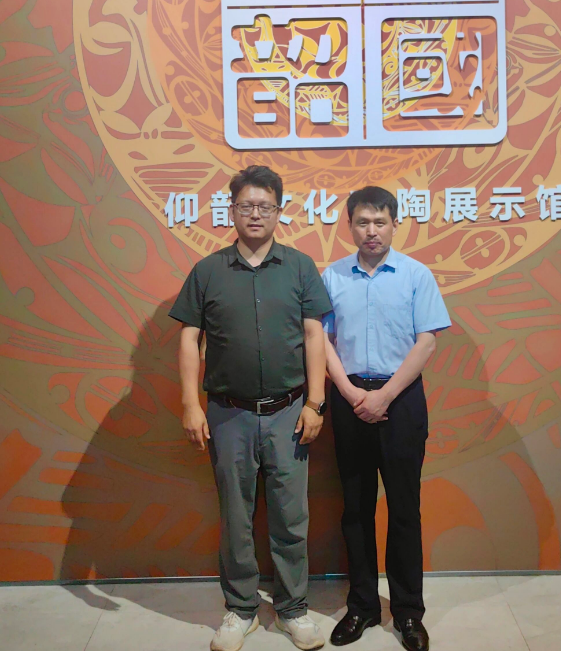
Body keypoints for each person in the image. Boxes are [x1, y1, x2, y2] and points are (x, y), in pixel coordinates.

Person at [169, 165, 332, 651]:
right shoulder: (208, 271)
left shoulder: (300, 266)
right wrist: (190, 404)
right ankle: (240, 609)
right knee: (236, 517)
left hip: (289, 411)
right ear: (232, 210)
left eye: (265, 206)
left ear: (279, 211)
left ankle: (292, 609)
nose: (255, 214)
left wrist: (316, 402)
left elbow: (314, 335)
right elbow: (189, 339)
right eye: (246, 206)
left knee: (290, 516)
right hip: (228, 413)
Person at [321, 187, 451, 651]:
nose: (371, 231)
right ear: (350, 226)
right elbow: (322, 342)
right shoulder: (332, 276)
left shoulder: (416, 275)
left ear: (395, 224)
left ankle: (408, 612)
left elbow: (427, 341)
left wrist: (386, 395)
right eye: (362, 222)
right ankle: (362, 606)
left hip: (401, 400)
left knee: (404, 508)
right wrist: (352, 392)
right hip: (350, 397)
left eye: (380, 222)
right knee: (355, 508)